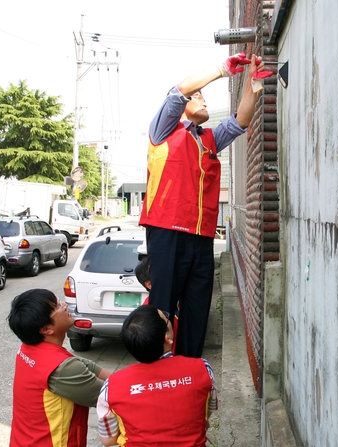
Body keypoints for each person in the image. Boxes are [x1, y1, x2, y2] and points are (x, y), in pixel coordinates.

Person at [139, 52, 271, 358]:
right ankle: (158, 370)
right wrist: (223, 70)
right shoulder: (163, 131)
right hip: (167, 232)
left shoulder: (209, 138)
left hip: (201, 237)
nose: (205, 101)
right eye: (198, 97)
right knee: (163, 308)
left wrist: (252, 83)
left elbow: (241, 120)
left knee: (198, 308)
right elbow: (180, 89)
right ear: (181, 108)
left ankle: (188, 369)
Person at [96, 305, 218, 446]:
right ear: (167, 338)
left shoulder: (111, 386)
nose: (169, 319)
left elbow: (108, 439)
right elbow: (207, 412)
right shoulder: (203, 369)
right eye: (166, 318)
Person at [7, 288, 111, 447]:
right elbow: (109, 397)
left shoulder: (28, 348)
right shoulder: (62, 368)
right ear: (46, 329)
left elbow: (81, 364)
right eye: (56, 307)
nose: (64, 305)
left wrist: (115, 377)